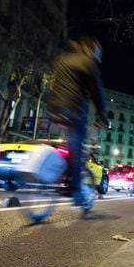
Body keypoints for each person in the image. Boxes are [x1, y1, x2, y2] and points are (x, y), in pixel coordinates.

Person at [47, 36, 108, 206]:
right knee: (76, 148)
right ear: (90, 49)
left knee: (66, 144)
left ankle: (58, 172)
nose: (97, 56)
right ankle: (74, 191)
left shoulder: (63, 59)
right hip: (72, 109)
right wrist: (103, 116)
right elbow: (97, 94)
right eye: (96, 52)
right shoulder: (88, 63)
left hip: (53, 107)